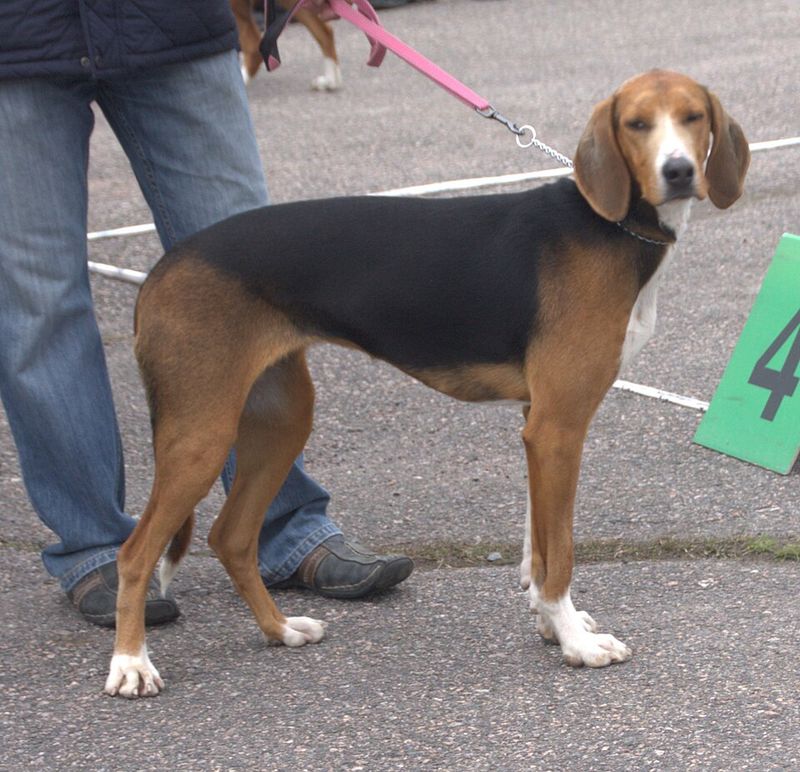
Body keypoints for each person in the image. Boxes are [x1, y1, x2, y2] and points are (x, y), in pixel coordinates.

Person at [0, 0, 412, 628]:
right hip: (15, 39)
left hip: (169, 23)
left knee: (261, 283)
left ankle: (280, 526)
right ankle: (94, 546)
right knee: (38, 303)